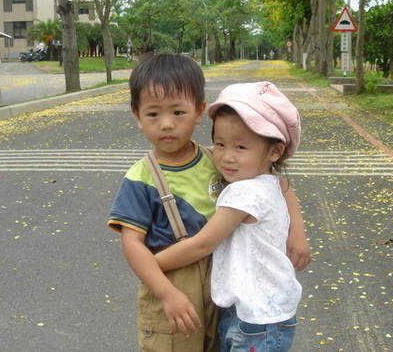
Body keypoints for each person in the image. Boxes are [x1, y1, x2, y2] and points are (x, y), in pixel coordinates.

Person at [107, 54, 310, 351]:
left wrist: (297, 232)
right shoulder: (141, 179)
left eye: (178, 112)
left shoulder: (218, 158)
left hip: (220, 277)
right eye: (153, 114)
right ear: (137, 116)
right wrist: (165, 293)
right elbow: (132, 244)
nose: (166, 124)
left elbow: (277, 183)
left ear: (200, 111)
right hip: (174, 280)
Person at [155, 81, 304, 351]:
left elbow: (203, 243)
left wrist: (153, 265)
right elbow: (284, 185)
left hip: (257, 323)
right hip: (258, 313)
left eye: (240, 147)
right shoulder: (267, 180)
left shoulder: (244, 193)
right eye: (220, 144)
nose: (226, 157)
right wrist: (299, 234)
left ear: (274, 151)